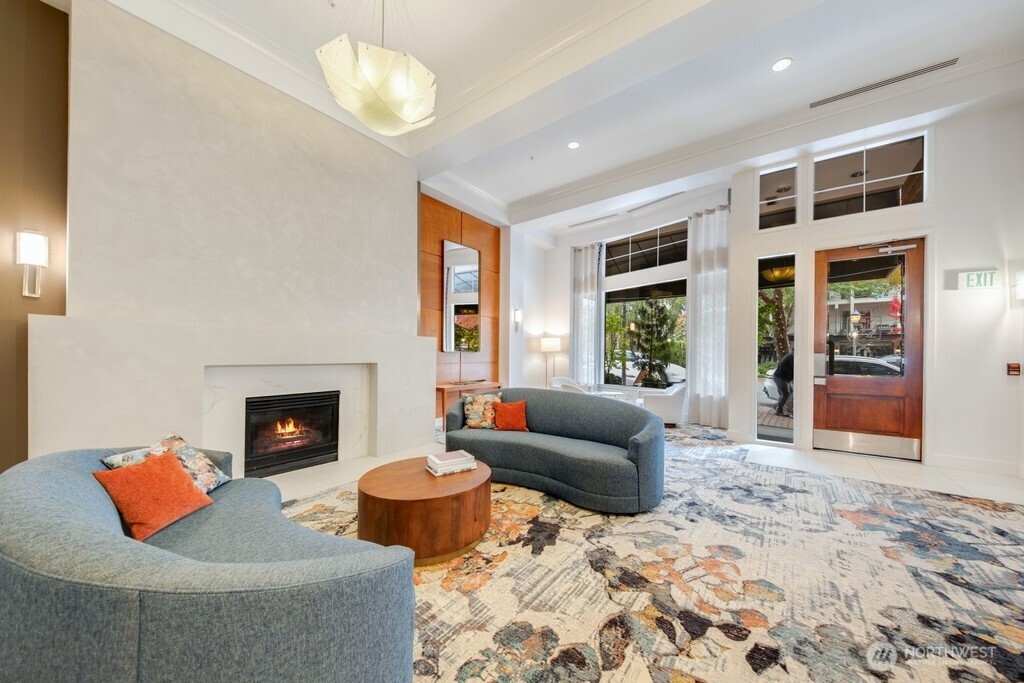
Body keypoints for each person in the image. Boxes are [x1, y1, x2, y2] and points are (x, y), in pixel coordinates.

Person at [774, 350, 794, 416]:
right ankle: (779, 410)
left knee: (790, 392)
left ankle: (787, 409)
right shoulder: (792, 357)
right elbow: (795, 369)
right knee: (785, 394)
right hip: (781, 377)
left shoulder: (791, 356)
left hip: (781, 377)